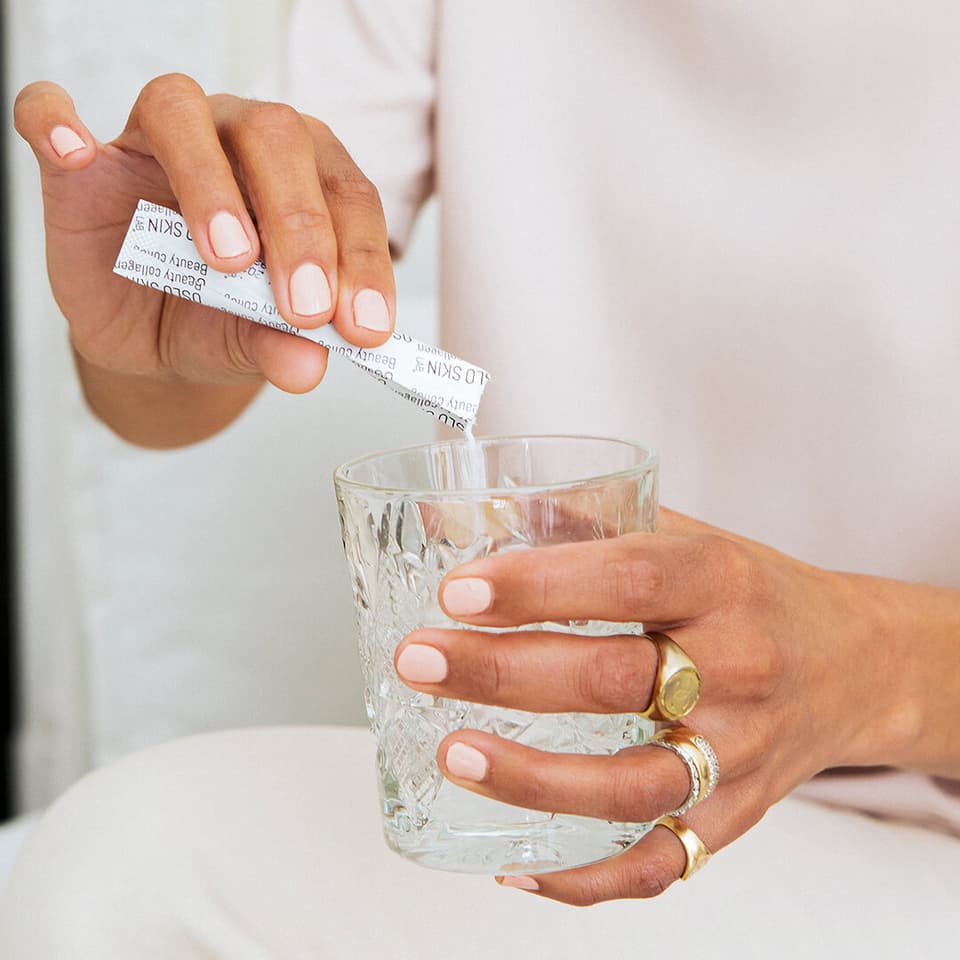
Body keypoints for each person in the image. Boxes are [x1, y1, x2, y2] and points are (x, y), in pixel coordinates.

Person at [4, 1, 960, 955]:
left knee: (123, 866)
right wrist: (173, 310)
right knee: (125, 862)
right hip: (555, 808)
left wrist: (870, 669)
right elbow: (186, 379)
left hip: (930, 827)